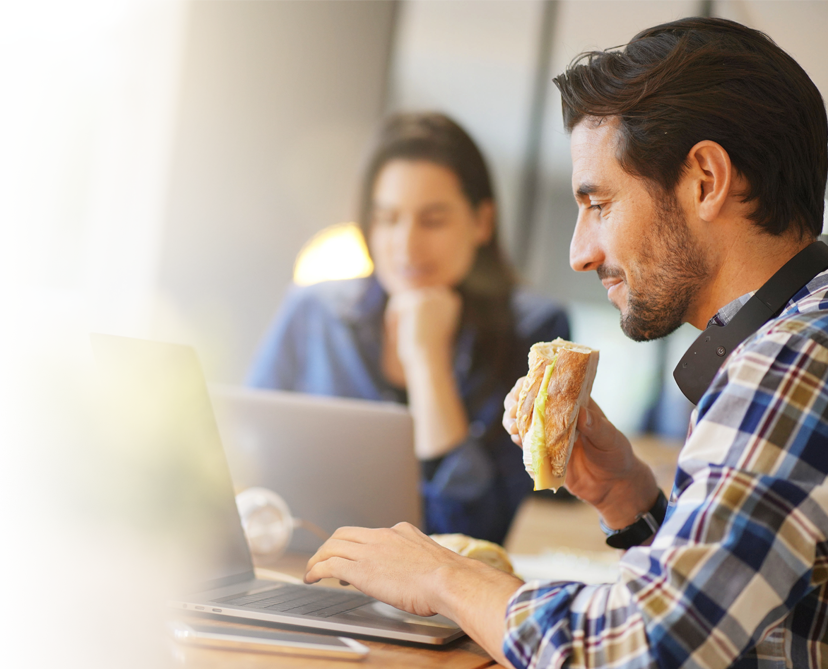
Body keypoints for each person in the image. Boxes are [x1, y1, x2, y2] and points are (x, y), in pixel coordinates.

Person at [303, 17, 828, 668]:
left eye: (599, 204)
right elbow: (736, 614)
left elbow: (641, 650)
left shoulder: (789, 360)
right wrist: (628, 498)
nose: (580, 253)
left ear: (705, 180)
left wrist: (442, 576)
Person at [247, 112, 570, 544]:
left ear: (482, 222)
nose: (406, 245)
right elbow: (240, 463)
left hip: (439, 586)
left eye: (433, 220)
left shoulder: (535, 333)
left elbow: (475, 533)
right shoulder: (312, 312)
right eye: (387, 219)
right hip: (305, 562)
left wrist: (426, 361)